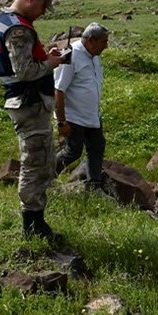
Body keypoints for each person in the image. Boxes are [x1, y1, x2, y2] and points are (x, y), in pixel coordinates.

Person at [0, 0, 66, 242]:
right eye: (44, 6)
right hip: (29, 104)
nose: (44, 13)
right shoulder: (19, 29)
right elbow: (24, 71)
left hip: (30, 103)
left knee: (41, 160)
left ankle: (36, 222)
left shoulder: (9, 21)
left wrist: (45, 56)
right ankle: (33, 226)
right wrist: (51, 63)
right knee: (35, 164)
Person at [54, 23, 109, 190]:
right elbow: (58, 90)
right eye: (103, 42)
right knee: (73, 151)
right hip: (74, 116)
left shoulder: (94, 55)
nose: (106, 46)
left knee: (97, 146)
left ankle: (94, 185)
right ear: (91, 40)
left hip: (91, 114)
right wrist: (62, 122)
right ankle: (44, 177)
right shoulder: (69, 55)